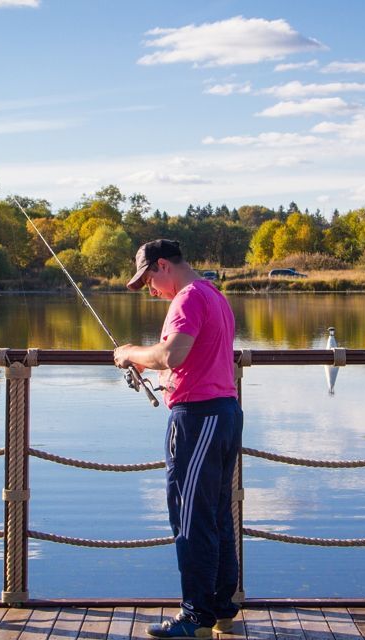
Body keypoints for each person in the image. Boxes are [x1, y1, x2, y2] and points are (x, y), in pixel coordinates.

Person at [113, 239, 243, 639]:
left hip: (198, 419)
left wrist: (130, 352)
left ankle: (195, 616)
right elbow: (192, 359)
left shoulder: (187, 299)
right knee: (216, 514)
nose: (150, 290)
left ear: (163, 265)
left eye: (149, 279)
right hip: (223, 413)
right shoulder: (213, 294)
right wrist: (169, 381)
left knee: (190, 518)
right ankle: (221, 608)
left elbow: (172, 354)